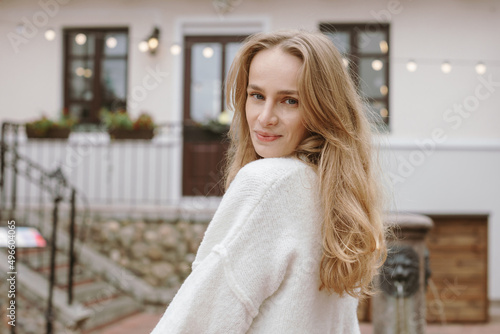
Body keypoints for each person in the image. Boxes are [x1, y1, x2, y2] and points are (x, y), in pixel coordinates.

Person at [151, 30, 387, 334]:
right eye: (257, 95)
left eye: (290, 100)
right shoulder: (336, 195)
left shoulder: (267, 184)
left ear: (322, 110)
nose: (264, 117)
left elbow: (198, 321)